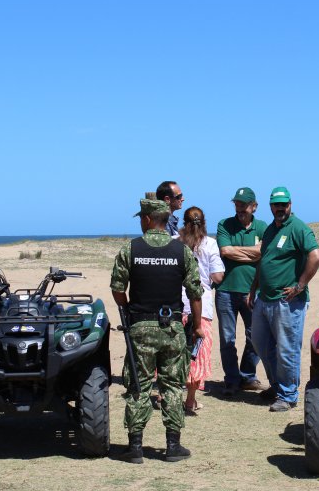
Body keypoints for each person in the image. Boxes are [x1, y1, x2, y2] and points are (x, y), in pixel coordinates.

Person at [111, 198, 204, 462]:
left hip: (140, 327)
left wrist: (129, 309)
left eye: (142, 217)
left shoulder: (131, 249)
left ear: (149, 220)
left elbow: (118, 288)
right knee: (173, 386)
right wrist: (197, 326)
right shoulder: (181, 251)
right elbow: (195, 292)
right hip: (172, 328)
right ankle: (173, 446)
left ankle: (136, 447)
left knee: (139, 384)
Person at [248, 187, 319, 412]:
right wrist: (254, 289)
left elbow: (315, 255)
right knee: (261, 344)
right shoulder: (271, 229)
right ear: (270, 206)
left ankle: (288, 395)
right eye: (276, 204)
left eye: (284, 204)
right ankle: (277, 385)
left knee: (287, 349)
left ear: (290, 204)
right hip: (264, 299)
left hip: (287, 302)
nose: (280, 208)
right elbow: (264, 261)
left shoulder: (298, 228)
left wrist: (300, 285)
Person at [215, 187, 269, 396]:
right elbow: (225, 251)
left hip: (252, 291)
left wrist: (241, 253)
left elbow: (263, 253)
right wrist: (252, 255)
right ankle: (232, 380)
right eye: (237, 204)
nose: (239, 208)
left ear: (254, 206)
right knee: (227, 339)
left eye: (244, 205)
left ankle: (247, 376)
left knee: (255, 336)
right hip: (226, 291)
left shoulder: (263, 227)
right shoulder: (224, 225)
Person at [178, 207, 225, 414]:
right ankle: (190, 400)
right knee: (197, 355)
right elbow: (217, 277)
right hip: (201, 307)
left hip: (176, 306)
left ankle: (164, 396)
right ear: (204, 222)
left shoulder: (174, 242)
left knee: (172, 354)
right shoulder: (210, 244)